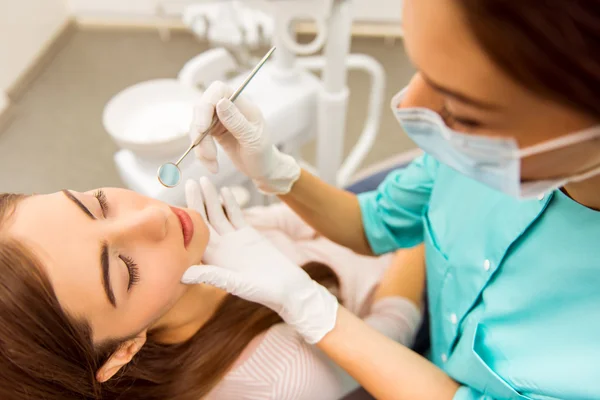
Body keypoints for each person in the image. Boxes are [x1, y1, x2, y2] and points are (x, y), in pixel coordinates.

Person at [184, 0, 600, 399]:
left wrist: (309, 306)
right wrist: (273, 169)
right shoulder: (474, 156)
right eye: (420, 70)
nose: (413, 107)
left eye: (462, 109)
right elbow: (376, 223)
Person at [0, 180, 424, 400]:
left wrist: (280, 174)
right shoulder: (279, 379)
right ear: (121, 352)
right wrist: (425, 230)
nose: (153, 218)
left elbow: (297, 224)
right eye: (125, 271)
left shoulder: (192, 244)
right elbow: (393, 334)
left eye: (96, 204)